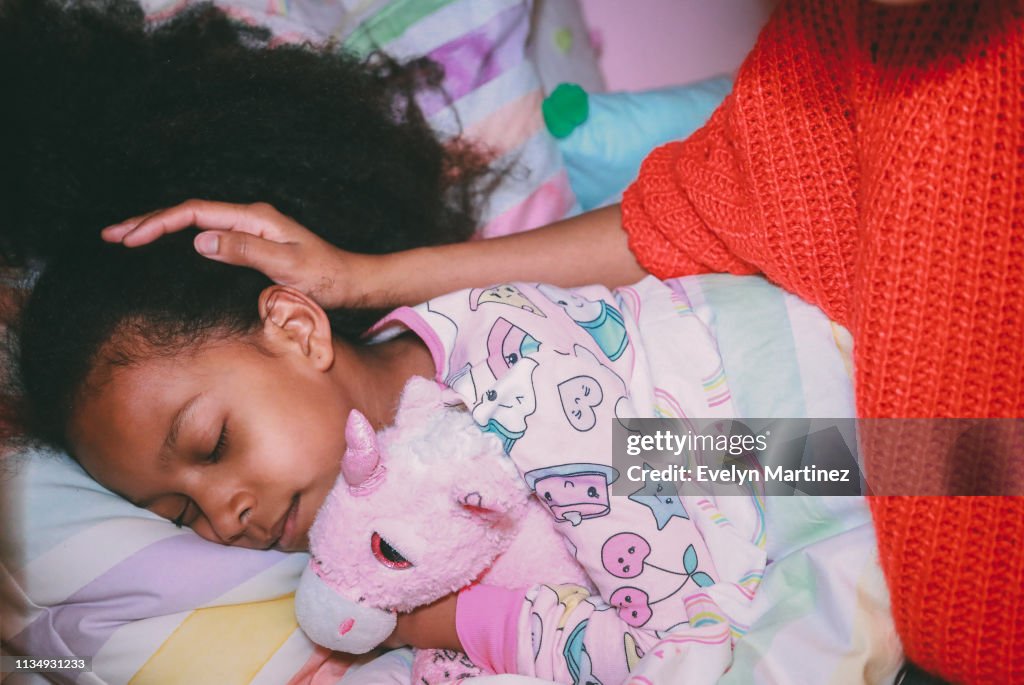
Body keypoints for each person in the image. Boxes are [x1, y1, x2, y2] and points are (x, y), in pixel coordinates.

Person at [101, 0, 1024, 682]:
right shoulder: (372, 559)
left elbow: (857, 475)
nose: (223, 516)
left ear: (296, 327)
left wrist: (463, 624)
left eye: (210, 446)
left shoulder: (531, 370)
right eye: (180, 516)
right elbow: (698, 206)